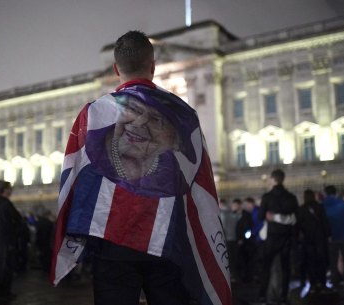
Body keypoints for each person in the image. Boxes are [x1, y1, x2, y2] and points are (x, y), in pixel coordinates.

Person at [50, 30, 231, 305]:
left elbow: (74, 177)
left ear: (115, 69)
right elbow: (201, 183)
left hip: (111, 241)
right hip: (168, 241)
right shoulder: (184, 114)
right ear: (153, 66)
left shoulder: (94, 112)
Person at [257, 169, 298, 305]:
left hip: (271, 236)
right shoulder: (291, 197)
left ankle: (263, 296)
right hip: (286, 237)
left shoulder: (267, 197)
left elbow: (260, 216)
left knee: (266, 268)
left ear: (273, 179)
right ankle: (283, 296)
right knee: (285, 268)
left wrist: (272, 216)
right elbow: (296, 217)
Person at [322, 185, 344, 294]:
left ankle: (335, 284)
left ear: (326, 193)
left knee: (333, 262)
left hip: (330, 238)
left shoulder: (323, 205)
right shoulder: (342, 203)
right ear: (336, 192)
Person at [296, 189, 330, 293]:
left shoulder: (301, 209)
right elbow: (325, 222)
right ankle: (323, 284)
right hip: (320, 239)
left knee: (311, 263)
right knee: (321, 262)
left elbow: (298, 225)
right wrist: (328, 235)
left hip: (308, 239)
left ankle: (313, 285)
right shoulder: (320, 207)